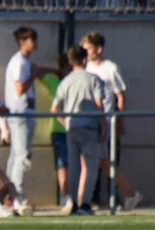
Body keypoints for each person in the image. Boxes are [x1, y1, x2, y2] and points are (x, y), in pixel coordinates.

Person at [80, 32, 142, 211]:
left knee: (107, 159)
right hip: (90, 121)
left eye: (89, 49)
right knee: (95, 161)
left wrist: (120, 119)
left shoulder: (110, 68)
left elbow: (120, 94)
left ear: (98, 49)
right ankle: (93, 199)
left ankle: (118, 197)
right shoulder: (85, 68)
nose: (86, 52)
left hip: (106, 120)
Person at [50, 45, 106, 216]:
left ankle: (73, 202)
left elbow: (54, 109)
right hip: (89, 126)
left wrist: (67, 123)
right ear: (85, 59)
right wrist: (104, 126)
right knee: (90, 166)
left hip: (73, 128)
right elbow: (99, 105)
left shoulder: (65, 81)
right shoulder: (93, 79)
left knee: (73, 166)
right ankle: (86, 203)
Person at [4, 27, 54, 214]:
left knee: (16, 156)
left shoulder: (24, 62)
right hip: (20, 114)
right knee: (22, 156)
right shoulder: (19, 63)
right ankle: (17, 197)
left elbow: (38, 71)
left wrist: (52, 71)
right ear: (23, 42)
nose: (36, 43)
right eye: (32, 40)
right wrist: (33, 75)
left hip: (23, 114)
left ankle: (9, 196)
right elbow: (19, 89)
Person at [41, 54, 73, 213]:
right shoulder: (54, 82)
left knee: (77, 164)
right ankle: (65, 195)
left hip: (75, 129)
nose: (69, 71)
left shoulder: (76, 83)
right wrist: (54, 71)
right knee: (62, 165)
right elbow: (36, 71)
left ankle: (77, 195)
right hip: (59, 131)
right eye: (66, 68)